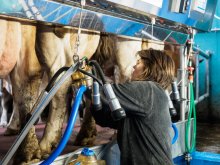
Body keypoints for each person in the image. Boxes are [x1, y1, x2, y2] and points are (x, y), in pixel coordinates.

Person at [90, 48, 175, 165]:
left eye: (138, 63)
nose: (134, 67)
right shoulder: (148, 96)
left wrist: (84, 82)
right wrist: (96, 106)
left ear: (150, 68)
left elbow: (103, 93)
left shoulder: (149, 90)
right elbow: (105, 119)